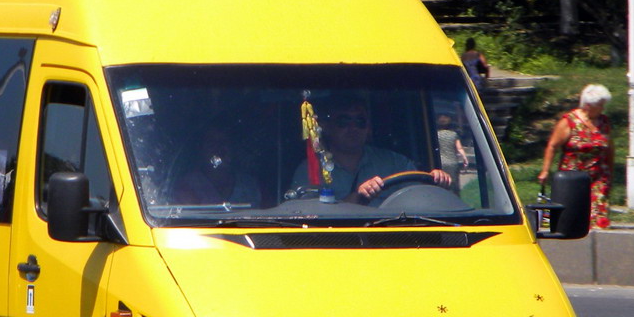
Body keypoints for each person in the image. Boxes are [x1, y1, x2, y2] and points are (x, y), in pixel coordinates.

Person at [291, 96, 452, 203]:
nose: (353, 128)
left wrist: (436, 182)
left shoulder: (396, 163)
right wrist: (358, 197)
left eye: (360, 122)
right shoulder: (310, 170)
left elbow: (420, 201)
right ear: (326, 127)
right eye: (344, 121)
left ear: (369, 129)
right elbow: (309, 221)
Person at [538, 83, 614, 229]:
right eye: (600, 105)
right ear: (587, 105)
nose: (603, 108)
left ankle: (599, 242)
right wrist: (545, 170)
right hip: (573, 178)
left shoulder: (604, 122)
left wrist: (609, 172)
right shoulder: (569, 122)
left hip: (598, 177)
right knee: (572, 217)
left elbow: (609, 148)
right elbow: (552, 146)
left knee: (599, 217)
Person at [175, 125, 262, 206]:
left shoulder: (248, 185)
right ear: (201, 149)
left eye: (224, 142)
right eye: (212, 143)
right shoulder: (188, 185)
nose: (218, 148)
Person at [436, 111, 469, 189]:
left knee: (442, 184)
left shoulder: (436, 135)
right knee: (453, 185)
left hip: (440, 162)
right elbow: (459, 148)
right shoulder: (454, 135)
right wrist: (465, 158)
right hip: (452, 163)